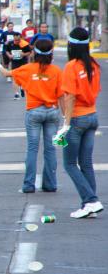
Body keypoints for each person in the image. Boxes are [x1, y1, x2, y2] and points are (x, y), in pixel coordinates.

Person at [0, 39, 63, 193]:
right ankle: (50, 184)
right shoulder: (56, 71)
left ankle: (29, 185)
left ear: (34, 53)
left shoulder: (28, 68)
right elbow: (62, 96)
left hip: (34, 111)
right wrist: (65, 119)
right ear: (51, 53)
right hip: (52, 112)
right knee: (50, 149)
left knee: (32, 149)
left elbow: (7, 74)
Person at [57, 27, 103, 218]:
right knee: (86, 163)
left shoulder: (71, 66)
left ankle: (91, 200)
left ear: (70, 45)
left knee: (69, 164)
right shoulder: (93, 65)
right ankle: (89, 206)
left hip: (76, 119)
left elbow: (70, 97)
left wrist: (65, 124)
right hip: (92, 116)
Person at [6, 32, 32, 100]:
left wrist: (23, 54)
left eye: (18, 40)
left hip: (23, 62)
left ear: (21, 38)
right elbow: (7, 51)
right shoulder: (10, 43)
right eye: (15, 40)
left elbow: (29, 52)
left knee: (23, 77)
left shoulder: (24, 44)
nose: (16, 41)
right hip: (14, 62)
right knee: (14, 78)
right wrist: (9, 56)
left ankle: (22, 88)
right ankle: (16, 94)